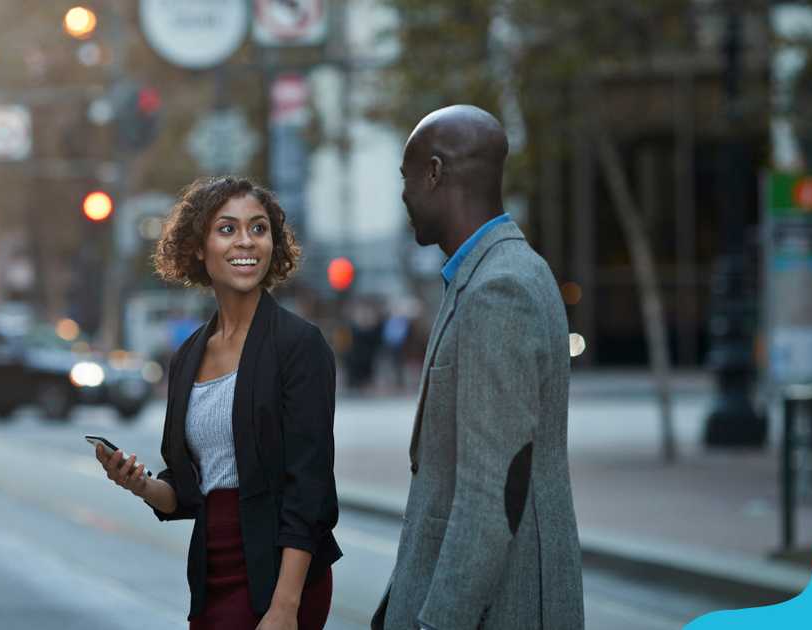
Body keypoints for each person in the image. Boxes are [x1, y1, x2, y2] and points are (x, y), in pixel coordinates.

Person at [95, 176, 342, 630]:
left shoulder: (299, 345)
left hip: (280, 577)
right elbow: (191, 493)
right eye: (227, 229)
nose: (245, 241)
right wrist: (139, 484)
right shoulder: (188, 355)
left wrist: (285, 607)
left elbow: (309, 488)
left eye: (258, 228)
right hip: (213, 572)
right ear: (198, 248)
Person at [372, 105, 583, 630]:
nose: (403, 195)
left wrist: (436, 623)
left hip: (498, 610)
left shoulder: (498, 290)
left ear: (436, 173)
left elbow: (493, 491)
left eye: (406, 177)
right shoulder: (491, 273)